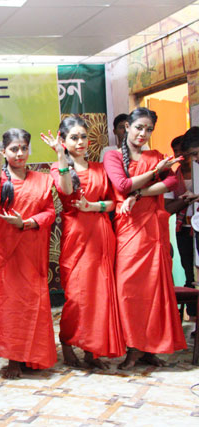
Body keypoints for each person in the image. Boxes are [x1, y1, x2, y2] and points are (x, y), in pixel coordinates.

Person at [103, 107, 187, 369]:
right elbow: (123, 185)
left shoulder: (156, 156)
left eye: (148, 129)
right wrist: (153, 174)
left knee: (154, 290)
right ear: (127, 126)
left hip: (153, 230)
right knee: (127, 290)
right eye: (139, 127)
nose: (143, 133)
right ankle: (133, 347)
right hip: (129, 228)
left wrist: (140, 194)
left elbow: (172, 182)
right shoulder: (114, 156)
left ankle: (149, 348)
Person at [41, 117, 125, 369]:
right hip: (76, 237)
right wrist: (60, 156)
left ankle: (92, 351)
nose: (80, 142)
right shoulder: (58, 167)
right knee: (77, 297)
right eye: (74, 137)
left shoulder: (100, 168)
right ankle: (67, 343)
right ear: (64, 141)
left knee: (100, 295)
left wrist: (93, 206)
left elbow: (112, 203)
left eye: (83, 136)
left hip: (101, 235)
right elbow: (67, 191)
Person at [0, 129, 57, 378]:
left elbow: (50, 212)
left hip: (34, 250)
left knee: (35, 303)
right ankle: (14, 358)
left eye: (24, 148)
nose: (19, 153)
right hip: (8, 253)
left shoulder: (42, 179)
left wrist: (27, 223)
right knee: (13, 304)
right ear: (4, 152)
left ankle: (34, 357)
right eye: (14, 149)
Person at [165, 128, 199, 317]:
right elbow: (167, 208)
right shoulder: (173, 176)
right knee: (189, 271)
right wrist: (187, 200)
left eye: (194, 153)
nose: (192, 159)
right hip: (184, 227)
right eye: (177, 152)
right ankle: (193, 316)